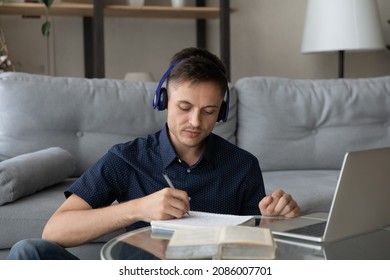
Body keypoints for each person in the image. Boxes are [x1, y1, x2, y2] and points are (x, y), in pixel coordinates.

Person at [6, 47, 299, 260]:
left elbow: (255, 255)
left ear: (221, 112)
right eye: (185, 108)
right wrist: (137, 209)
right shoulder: (126, 158)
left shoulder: (242, 166)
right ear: (163, 100)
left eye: (209, 111)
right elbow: (55, 231)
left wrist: (274, 223)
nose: (196, 122)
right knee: (28, 252)